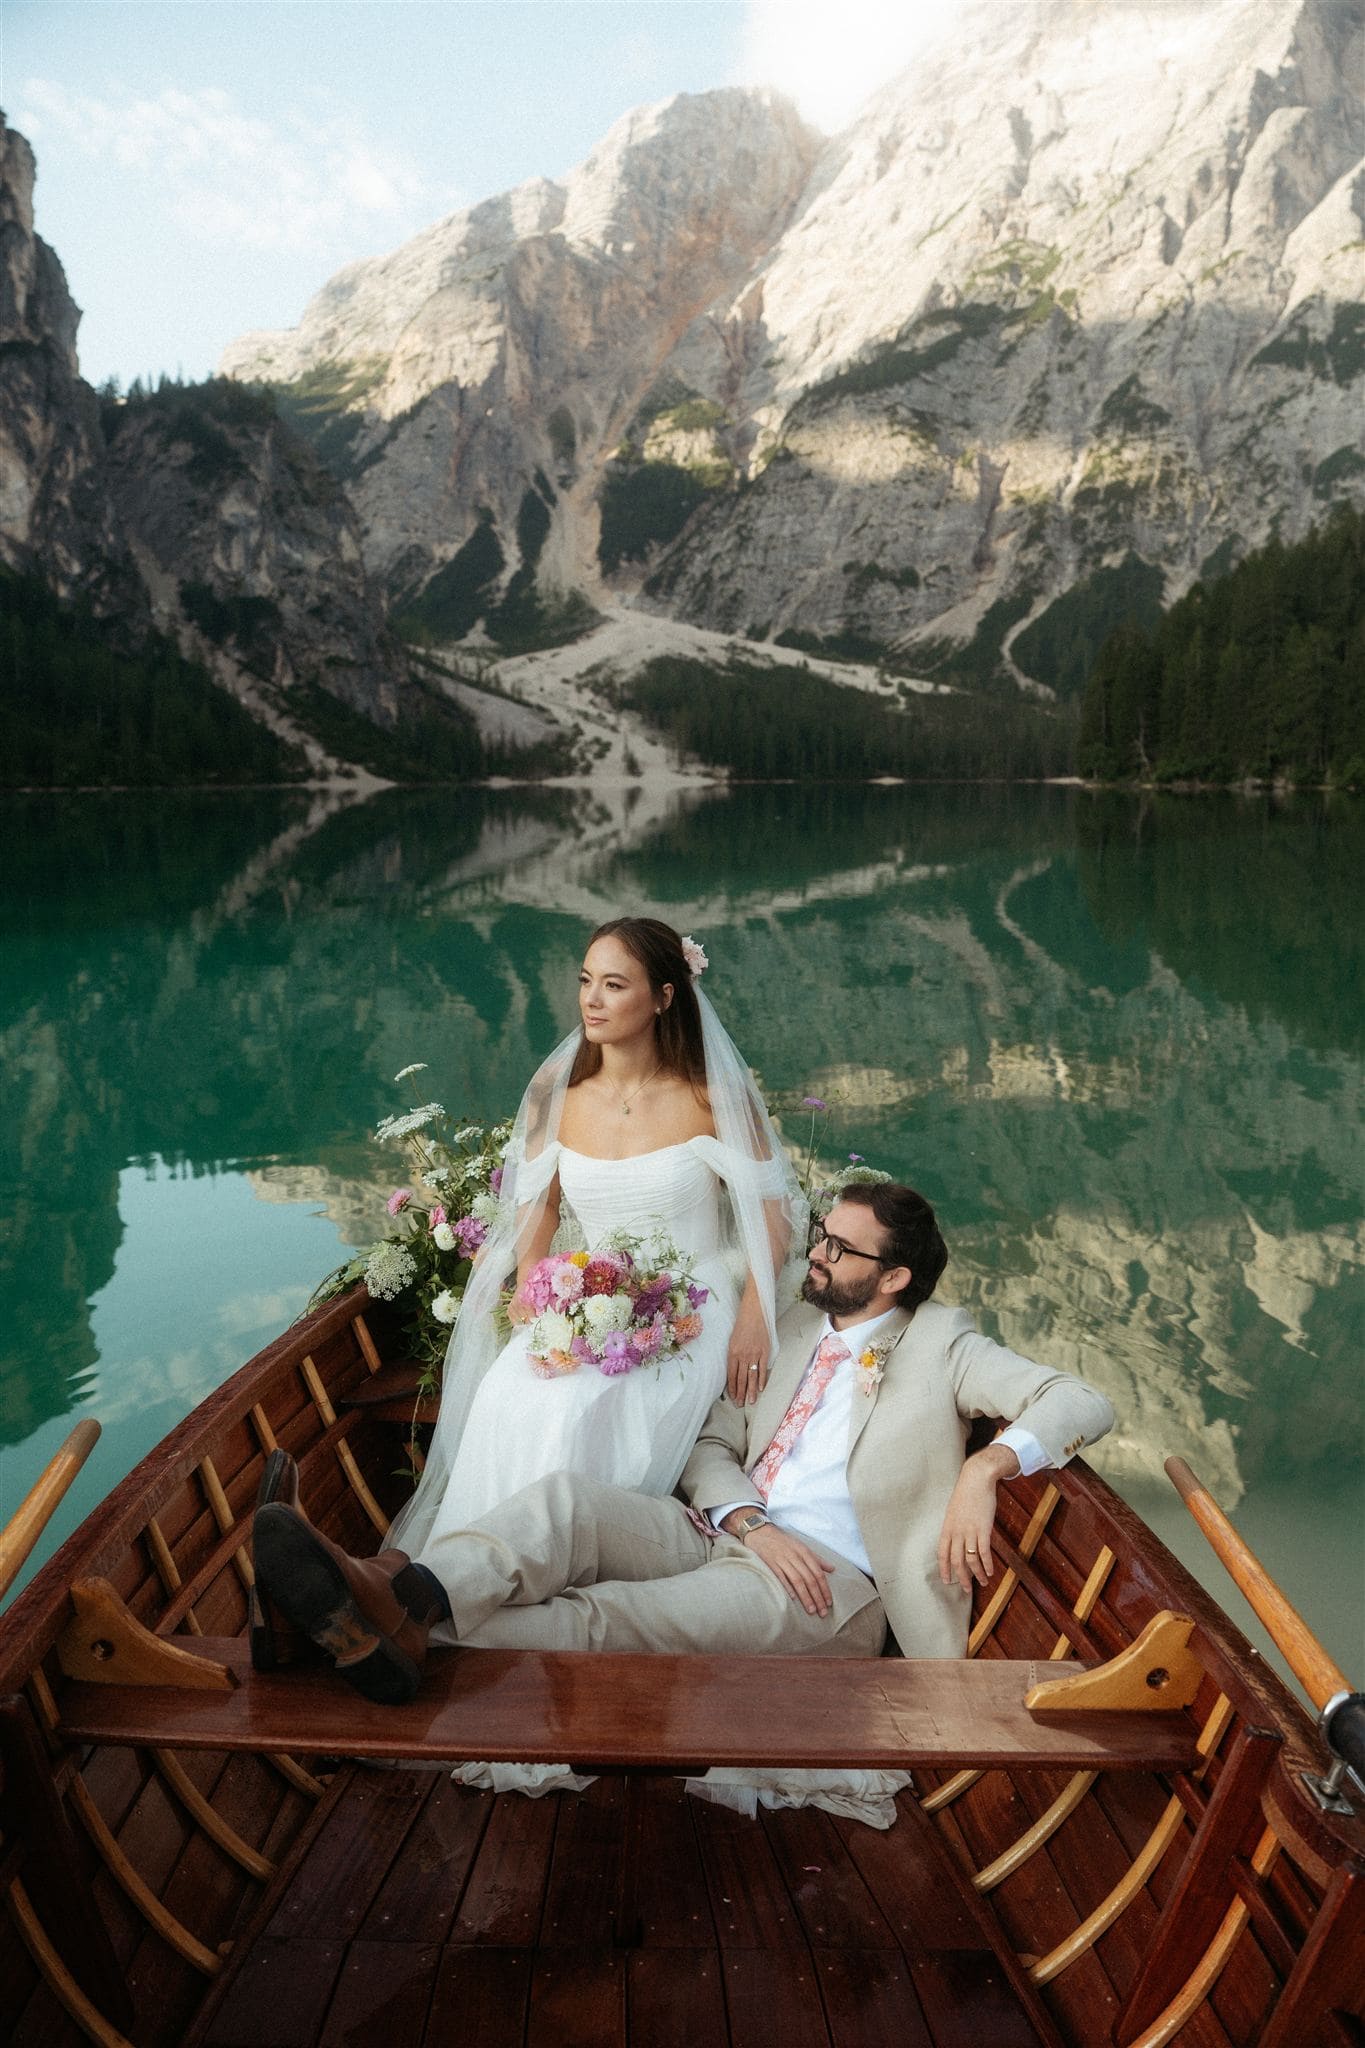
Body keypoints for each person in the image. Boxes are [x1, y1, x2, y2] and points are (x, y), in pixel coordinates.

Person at [254, 1181, 1115, 1711]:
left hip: (833, 1591)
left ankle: (365, 1642)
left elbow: (1080, 1398)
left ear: (892, 1278)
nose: (814, 1255)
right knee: (564, 1506)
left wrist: (984, 1466)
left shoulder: (946, 1344)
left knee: (610, 1620)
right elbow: (714, 1440)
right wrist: (745, 1519)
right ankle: (395, 1594)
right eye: (818, 1235)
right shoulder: (791, 1325)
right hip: (727, 1533)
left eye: (838, 1249)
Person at [388, 915, 807, 1571]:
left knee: (591, 1405)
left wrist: (754, 1315)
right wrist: (532, 1280)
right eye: (586, 981)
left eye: (614, 985)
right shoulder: (555, 1094)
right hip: (586, 1292)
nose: (591, 999)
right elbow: (538, 1201)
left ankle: (540, 1573)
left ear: (664, 996)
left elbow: (771, 1213)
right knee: (511, 1394)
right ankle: (454, 1574)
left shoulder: (710, 1095)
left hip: (690, 1305)